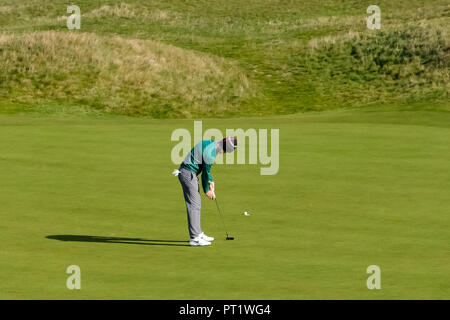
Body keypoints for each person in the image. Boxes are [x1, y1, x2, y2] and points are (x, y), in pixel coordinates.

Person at [174, 137, 237, 246]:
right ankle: (194, 238)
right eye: (225, 152)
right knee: (194, 205)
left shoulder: (210, 143)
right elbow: (204, 174)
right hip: (188, 174)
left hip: (188, 172)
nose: (223, 154)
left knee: (196, 203)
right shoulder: (210, 154)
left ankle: (198, 233)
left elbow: (206, 171)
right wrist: (207, 191)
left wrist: (211, 181)